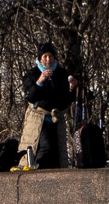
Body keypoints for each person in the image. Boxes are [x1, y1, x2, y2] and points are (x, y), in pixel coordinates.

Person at [18, 41, 76, 170]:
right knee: (45, 146)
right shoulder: (32, 74)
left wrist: (71, 89)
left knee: (57, 151)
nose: (48, 60)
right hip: (39, 117)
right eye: (45, 57)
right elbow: (30, 96)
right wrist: (40, 82)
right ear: (40, 58)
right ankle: (39, 170)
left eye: (50, 56)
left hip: (56, 118)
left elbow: (66, 100)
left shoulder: (61, 73)